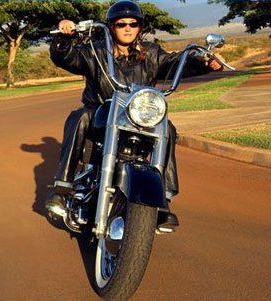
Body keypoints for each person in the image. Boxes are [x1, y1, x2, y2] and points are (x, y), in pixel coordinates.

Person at [46, 0, 223, 229]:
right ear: (111, 27)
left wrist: (204, 61)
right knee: (79, 117)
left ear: (140, 27)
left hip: (137, 116)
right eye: (121, 24)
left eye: (133, 23)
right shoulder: (96, 51)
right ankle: (63, 187)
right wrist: (64, 37)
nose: (128, 28)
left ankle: (163, 201)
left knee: (167, 128)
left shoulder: (151, 53)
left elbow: (173, 63)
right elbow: (67, 57)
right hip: (101, 112)